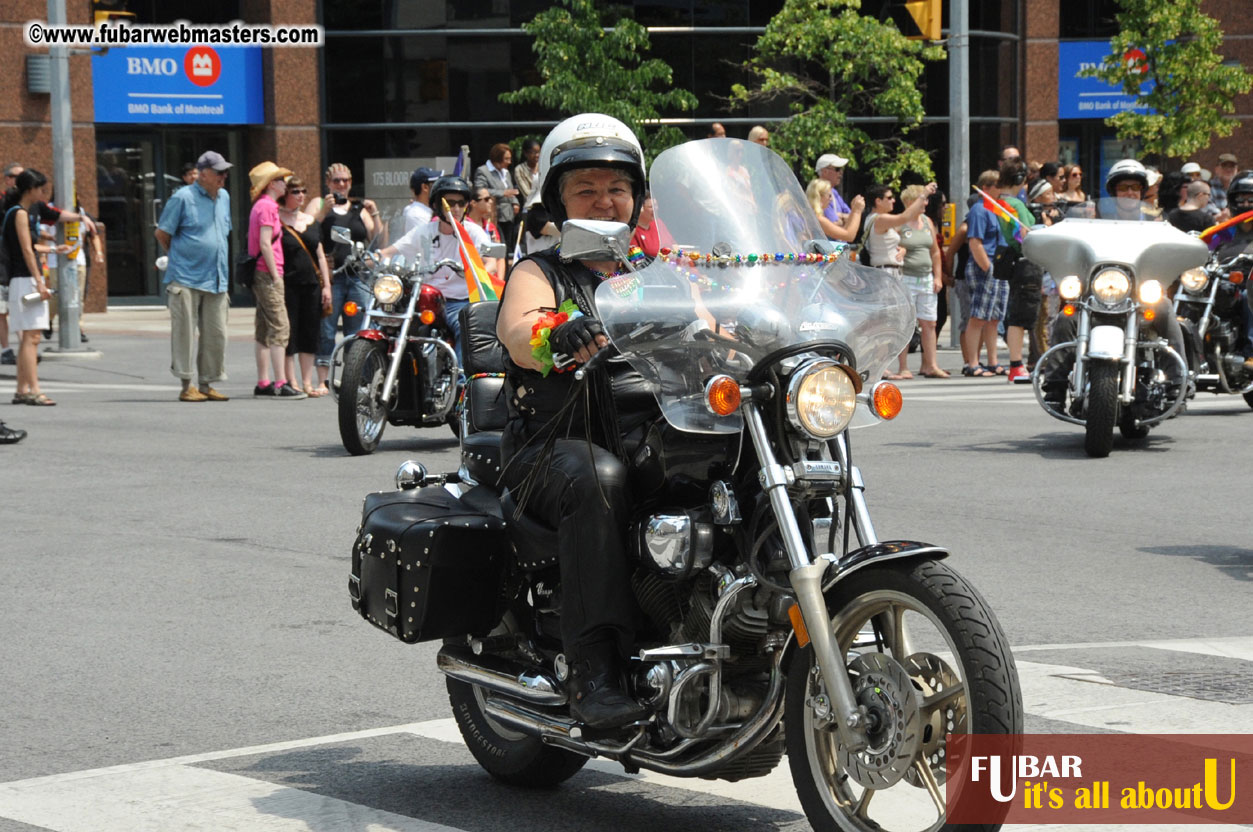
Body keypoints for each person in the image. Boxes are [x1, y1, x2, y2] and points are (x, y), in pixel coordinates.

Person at [495, 113, 654, 732]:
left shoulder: (655, 276)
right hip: (552, 444)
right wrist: (555, 333)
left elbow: (715, 323)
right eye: (586, 188)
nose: (604, 200)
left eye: (616, 188)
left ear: (636, 198)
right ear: (558, 199)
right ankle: (596, 670)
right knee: (599, 477)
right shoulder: (540, 272)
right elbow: (517, 331)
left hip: (645, 429)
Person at [1043, 160, 1188, 402]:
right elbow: (1073, 242)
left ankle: (1178, 381)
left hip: (1139, 294)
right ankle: (1055, 385)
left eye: (1134, 187)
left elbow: (1171, 244)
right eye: (1123, 188)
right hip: (1098, 292)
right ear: (1113, 192)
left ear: (1142, 191)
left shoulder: (1156, 220)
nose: (1130, 193)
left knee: (1164, 308)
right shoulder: (1092, 217)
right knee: (1066, 317)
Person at [376, 175, 496, 364]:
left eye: (460, 203)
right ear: (437, 205)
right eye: (449, 203)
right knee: (387, 321)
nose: (455, 209)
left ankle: (462, 382)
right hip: (424, 298)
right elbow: (391, 251)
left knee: (463, 327)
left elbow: (491, 262)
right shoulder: (425, 231)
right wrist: (371, 257)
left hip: (458, 300)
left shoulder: (473, 233)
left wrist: (479, 271)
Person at [154, 150, 233, 402]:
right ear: (203, 174)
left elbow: (223, 233)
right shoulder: (182, 198)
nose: (224, 176)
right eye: (219, 172)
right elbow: (162, 234)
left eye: (225, 172)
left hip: (217, 277)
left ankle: (208, 383)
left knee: (216, 333)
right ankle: (187, 384)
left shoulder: (224, 197)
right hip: (186, 277)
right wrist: (179, 257)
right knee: (184, 334)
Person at [864, 181, 938, 378]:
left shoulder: (880, 220)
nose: (893, 200)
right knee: (886, 322)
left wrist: (903, 249)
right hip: (885, 273)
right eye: (889, 198)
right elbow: (905, 217)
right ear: (878, 201)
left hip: (893, 272)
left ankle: (885, 366)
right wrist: (923, 195)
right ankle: (882, 366)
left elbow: (893, 243)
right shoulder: (879, 219)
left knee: (891, 321)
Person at [312, 163, 376, 391]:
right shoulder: (320, 204)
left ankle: (354, 379)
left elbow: (377, 239)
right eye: (336, 181)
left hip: (357, 275)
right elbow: (307, 230)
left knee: (357, 330)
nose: (341, 185)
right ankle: (322, 380)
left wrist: (374, 213)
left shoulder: (359, 208)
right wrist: (322, 212)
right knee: (327, 328)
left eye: (345, 180)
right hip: (332, 275)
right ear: (328, 183)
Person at [5, 169, 63, 405]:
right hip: (25, 277)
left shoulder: (17, 212)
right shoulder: (20, 214)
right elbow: (27, 250)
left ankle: (22, 389)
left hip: (20, 278)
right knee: (32, 336)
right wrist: (39, 281)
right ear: (30, 189)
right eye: (41, 189)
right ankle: (34, 390)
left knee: (30, 337)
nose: (43, 193)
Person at [248, 161, 304, 399]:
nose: (285, 183)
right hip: (268, 272)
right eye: (281, 180)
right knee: (281, 327)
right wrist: (275, 275)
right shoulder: (269, 207)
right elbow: (265, 243)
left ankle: (263, 381)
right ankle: (281, 382)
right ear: (272, 184)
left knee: (263, 328)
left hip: (258, 272)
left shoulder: (259, 205)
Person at [278, 175, 333, 397]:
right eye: (295, 191)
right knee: (290, 333)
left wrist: (327, 286)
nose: (301, 195)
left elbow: (320, 256)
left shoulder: (310, 221)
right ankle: (292, 381)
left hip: (312, 285)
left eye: (303, 191)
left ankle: (307, 382)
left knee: (310, 332)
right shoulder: (277, 220)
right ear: (285, 195)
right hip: (288, 284)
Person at [992, 161, 1041, 383]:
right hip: (1026, 261)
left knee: (1017, 315)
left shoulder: (1001, 202)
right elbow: (1024, 234)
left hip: (1016, 263)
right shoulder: (1016, 205)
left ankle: (1016, 364)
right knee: (1021, 317)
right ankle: (1016, 364)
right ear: (1020, 180)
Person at [961, 171, 1012, 377]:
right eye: (998, 185)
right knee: (978, 317)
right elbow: (975, 242)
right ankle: (972, 363)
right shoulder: (979, 210)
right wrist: (988, 268)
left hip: (1000, 264)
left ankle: (993, 361)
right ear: (986, 188)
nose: (1002, 189)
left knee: (994, 318)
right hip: (986, 265)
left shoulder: (999, 210)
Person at [895, 184, 947, 377]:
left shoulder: (927, 222)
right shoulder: (900, 223)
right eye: (922, 199)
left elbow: (934, 251)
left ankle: (930, 364)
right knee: (906, 323)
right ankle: (903, 367)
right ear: (910, 202)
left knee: (930, 323)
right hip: (906, 276)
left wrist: (938, 276)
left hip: (926, 277)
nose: (925, 203)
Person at [473, 143, 520, 256]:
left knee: (508, 247)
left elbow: (511, 189)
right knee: (499, 246)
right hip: (494, 215)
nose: (509, 162)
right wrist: (502, 193)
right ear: (497, 158)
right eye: (506, 159)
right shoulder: (483, 171)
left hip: (508, 216)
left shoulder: (506, 172)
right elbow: (481, 190)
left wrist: (515, 202)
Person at [467, 186, 507, 286]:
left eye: (490, 199)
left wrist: (499, 282)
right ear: (473, 203)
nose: (490, 202)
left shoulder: (491, 228)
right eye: (486, 199)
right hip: (471, 282)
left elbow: (500, 257)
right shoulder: (464, 226)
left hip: (492, 283)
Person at [806, 178, 863, 243]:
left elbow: (843, 234)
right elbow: (849, 236)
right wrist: (857, 211)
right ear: (820, 196)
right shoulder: (819, 219)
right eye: (829, 195)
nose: (831, 199)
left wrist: (853, 211)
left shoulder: (812, 216)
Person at [630, 189, 673, 257]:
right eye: (651, 207)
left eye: (656, 205)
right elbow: (636, 260)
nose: (655, 209)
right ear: (640, 209)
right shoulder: (633, 231)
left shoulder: (658, 223)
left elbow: (673, 245)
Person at [402, 166, 440, 235]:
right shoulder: (416, 215)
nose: (439, 187)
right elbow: (428, 243)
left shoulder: (421, 210)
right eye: (436, 183)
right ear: (425, 187)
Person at [815, 153, 852, 222]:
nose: (841, 172)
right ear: (825, 171)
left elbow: (851, 217)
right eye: (837, 169)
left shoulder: (834, 192)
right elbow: (833, 222)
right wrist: (843, 218)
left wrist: (840, 216)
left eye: (841, 169)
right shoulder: (819, 193)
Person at [513, 139, 541, 208]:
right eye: (534, 152)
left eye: (538, 152)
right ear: (526, 153)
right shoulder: (519, 169)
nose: (537, 155)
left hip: (546, 208)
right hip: (531, 208)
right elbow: (526, 193)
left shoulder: (543, 166)